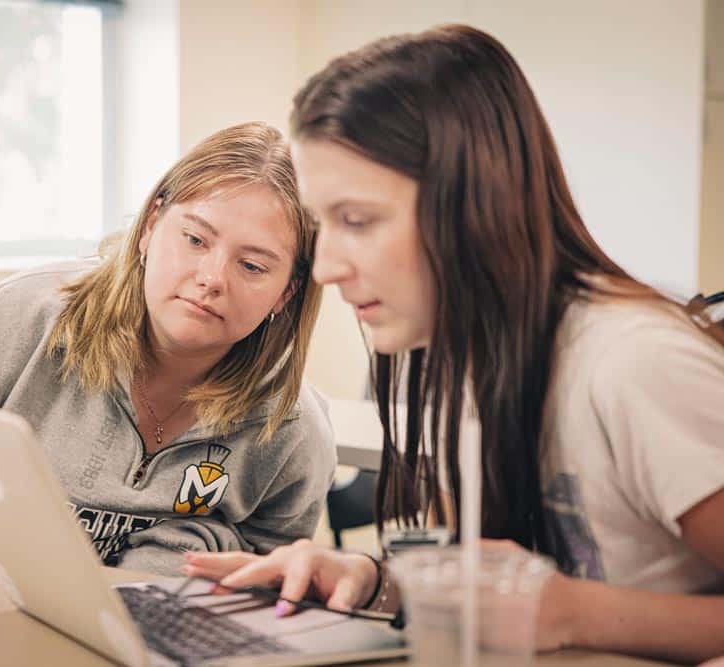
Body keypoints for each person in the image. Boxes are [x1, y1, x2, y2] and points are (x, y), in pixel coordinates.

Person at [183, 27, 724, 663]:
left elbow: (552, 609)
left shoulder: (632, 364)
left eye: (356, 221)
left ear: (474, 206)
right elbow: (478, 576)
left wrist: (575, 613)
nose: (324, 267)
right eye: (322, 224)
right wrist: (375, 583)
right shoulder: (449, 358)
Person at [0, 121, 336, 576]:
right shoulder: (19, 323)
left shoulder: (290, 430)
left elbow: (271, 568)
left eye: (253, 266)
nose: (212, 278)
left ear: (287, 291)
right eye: (195, 239)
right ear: (151, 226)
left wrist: (186, 552)